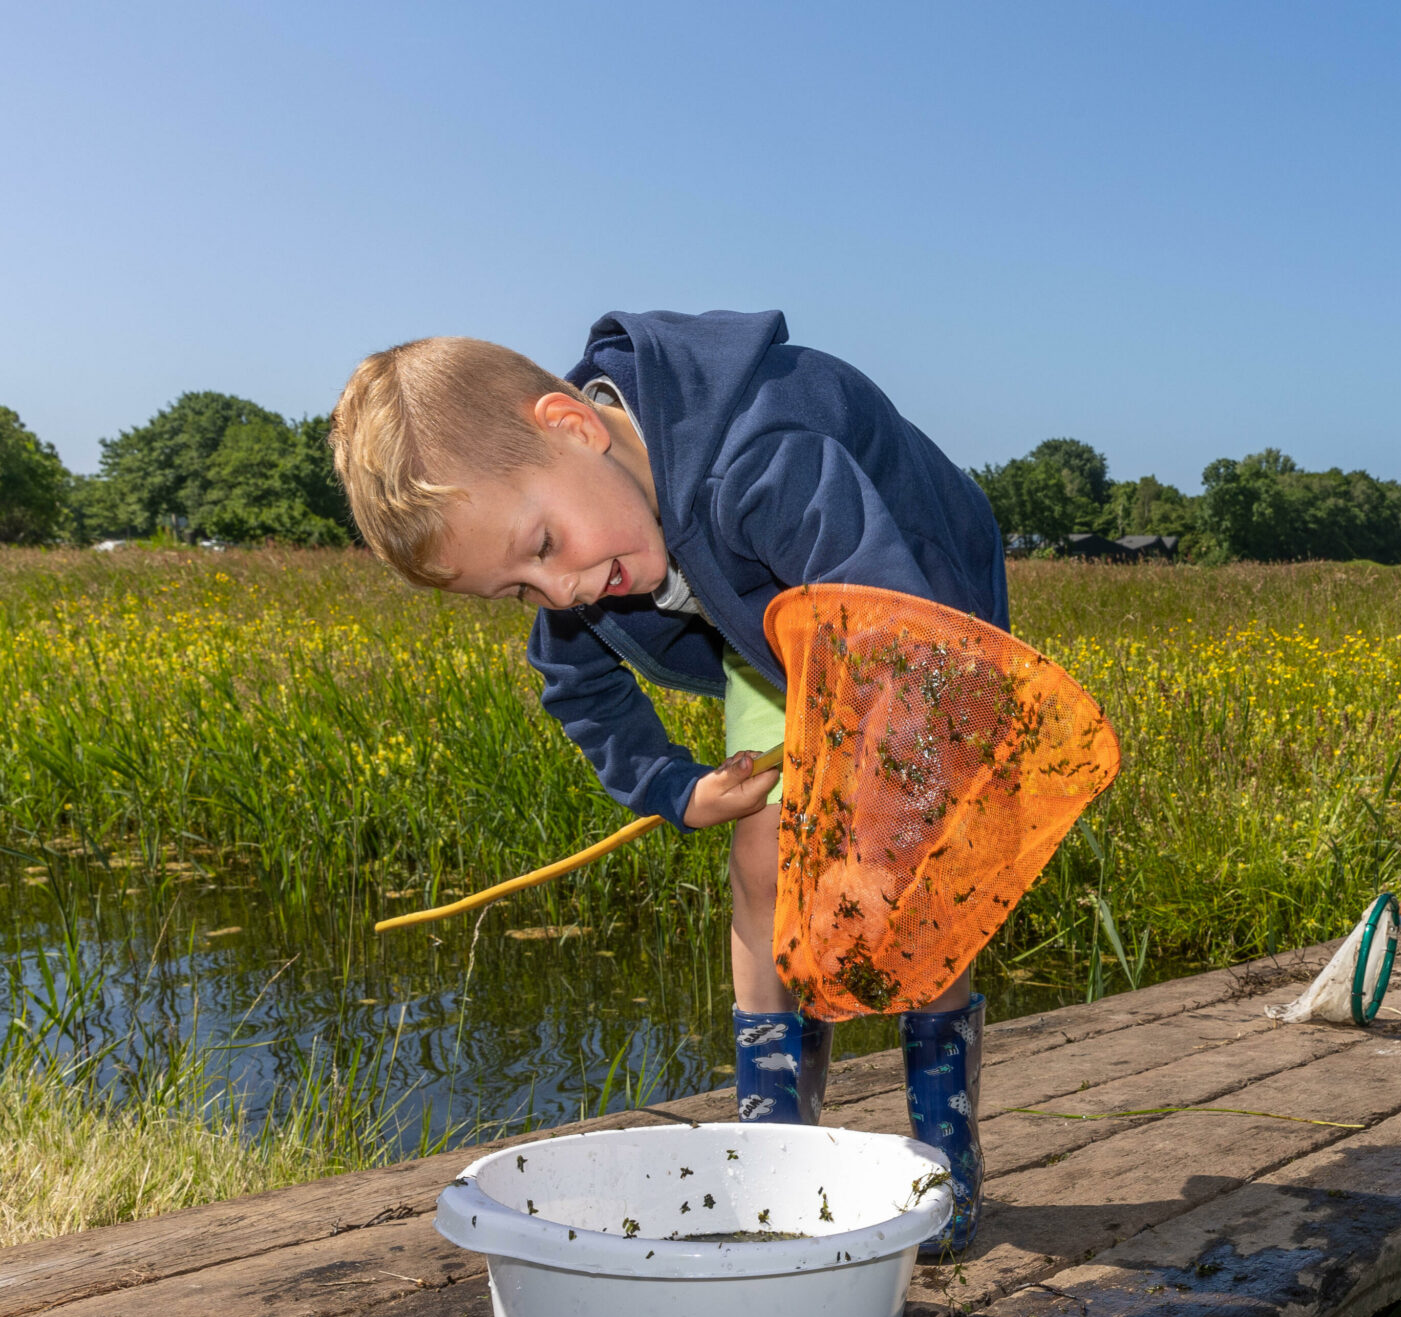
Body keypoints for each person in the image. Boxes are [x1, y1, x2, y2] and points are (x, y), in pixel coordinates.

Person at [330, 311, 1000, 1255]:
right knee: (763, 855)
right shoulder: (578, 523)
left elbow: (898, 638)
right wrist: (677, 788)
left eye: (542, 547)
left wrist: (876, 800)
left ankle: (943, 1163)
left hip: (914, 614)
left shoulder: (763, 459)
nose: (557, 591)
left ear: (573, 427)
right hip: (773, 635)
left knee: (919, 885)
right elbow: (576, 684)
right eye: (518, 588)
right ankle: (775, 1158)